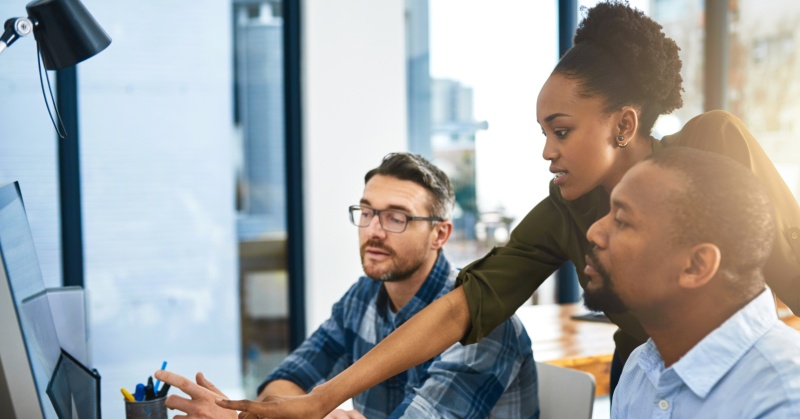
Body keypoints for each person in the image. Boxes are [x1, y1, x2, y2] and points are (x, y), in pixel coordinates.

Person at [215, 2, 800, 417]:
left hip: (738, 376)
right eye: (544, 132)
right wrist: (321, 399)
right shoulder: (563, 210)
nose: (548, 151)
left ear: (623, 123)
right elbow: (460, 309)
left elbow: (789, 267)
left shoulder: (713, 148)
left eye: (562, 131)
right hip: (644, 380)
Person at [157, 152, 539, 419]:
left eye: (396, 218)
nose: (373, 230)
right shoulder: (364, 298)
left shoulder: (483, 324)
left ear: (440, 234)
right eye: (367, 212)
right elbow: (285, 382)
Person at [584, 148, 800, 417]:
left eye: (622, 221)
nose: (594, 232)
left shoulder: (786, 397)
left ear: (696, 266)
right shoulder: (640, 369)